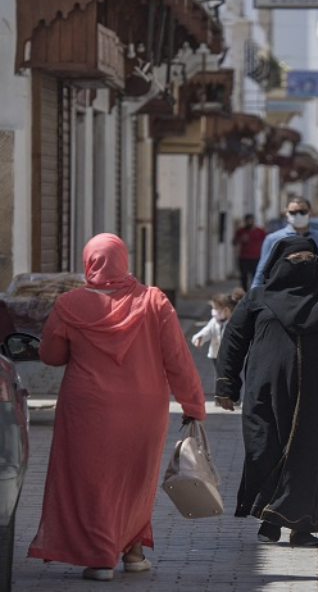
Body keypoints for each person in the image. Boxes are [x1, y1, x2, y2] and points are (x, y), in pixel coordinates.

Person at [27, 233, 206, 581]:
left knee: (93, 481)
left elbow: (50, 356)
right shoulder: (153, 301)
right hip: (144, 410)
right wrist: (194, 405)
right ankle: (133, 552)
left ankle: (99, 558)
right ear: (123, 259)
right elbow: (178, 361)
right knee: (136, 479)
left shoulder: (68, 304)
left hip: (87, 410)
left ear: (89, 262)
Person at [215, 236, 318, 548]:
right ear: (279, 263)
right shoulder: (258, 297)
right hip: (264, 395)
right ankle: (270, 516)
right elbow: (233, 341)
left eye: (309, 258)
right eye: (296, 258)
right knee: (264, 451)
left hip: (315, 398)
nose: (304, 262)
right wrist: (226, 385)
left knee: (310, 458)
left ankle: (303, 526)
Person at [251, 197, 318, 294]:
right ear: (286, 212)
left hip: (316, 295)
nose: (298, 215)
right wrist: (253, 297)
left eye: (302, 211)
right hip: (283, 295)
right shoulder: (273, 239)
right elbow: (262, 271)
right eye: (293, 212)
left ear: (310, 212)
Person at [191, 287, 245, 368]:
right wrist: (200, 337)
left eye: (216, 308)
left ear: (226, 310)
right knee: (218, 376)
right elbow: (207, 331)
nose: (214, 311)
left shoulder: (234, 323)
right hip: (215, 355)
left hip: (230, 356)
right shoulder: (214, 322)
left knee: (228, 376)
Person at [232, 214, 267, 290]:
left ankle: (254, 291)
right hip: (244, 257)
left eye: (251, 220)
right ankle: (244, 291)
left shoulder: (260, 231)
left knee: (255, 276)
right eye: (247, 221)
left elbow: (266, 242)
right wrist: (241, 239)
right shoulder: (241, 231)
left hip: (256, 257)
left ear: (253, 221)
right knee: (243, 276)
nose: (249, 222)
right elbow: (234, 242)